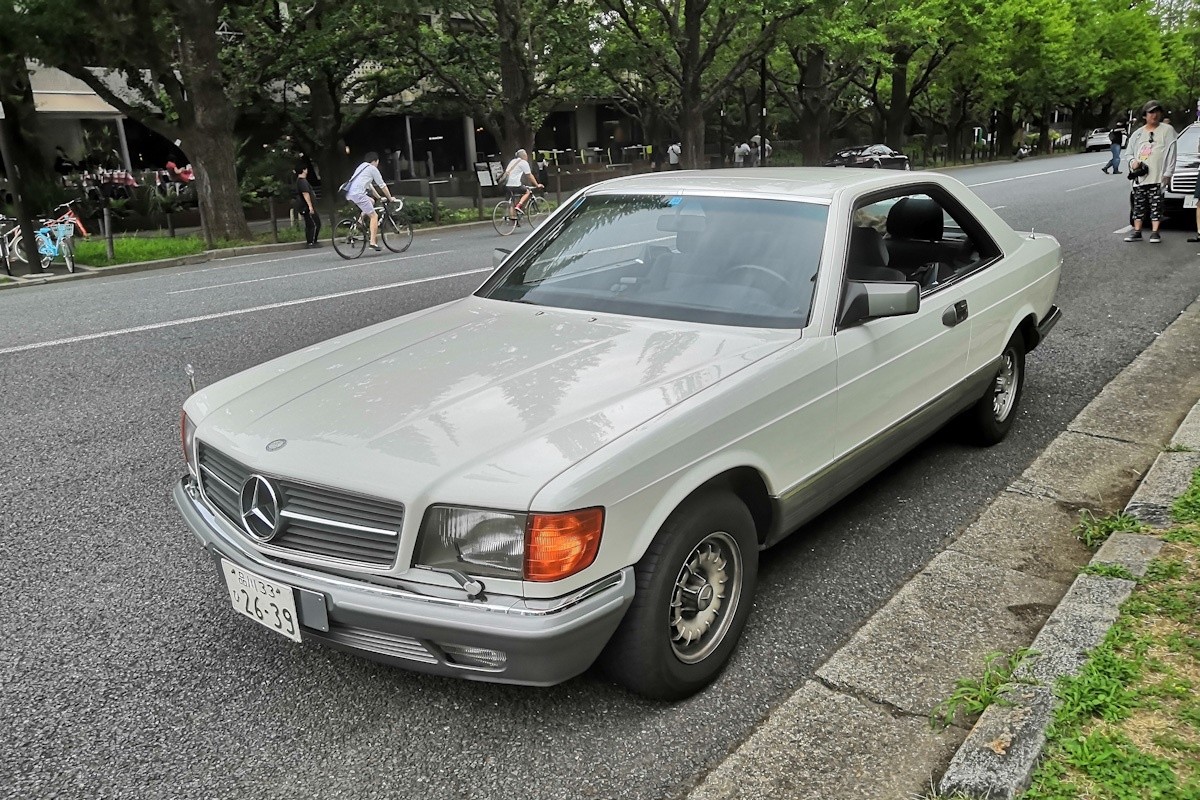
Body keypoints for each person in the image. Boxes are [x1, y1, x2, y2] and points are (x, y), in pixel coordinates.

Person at [1124, 100, 1177, 243]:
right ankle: (1137, 231)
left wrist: (1168, 173)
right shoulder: (1138, 134)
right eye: (1151, 112)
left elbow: (1172, 152)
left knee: (1156, 205)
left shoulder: (1167, 130)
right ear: (1144, 116)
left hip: (1158, 176)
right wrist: (1133, 162)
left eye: (1157, 112)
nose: (1154, 115)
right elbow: (1128, 154)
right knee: (1138, 204)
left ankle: (1155, 232)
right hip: (1140, 177)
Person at [344, 151, 396, 251]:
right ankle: (372, 242)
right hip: (359, 194)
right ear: (376, 161)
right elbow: (382, 185)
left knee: (371, 201)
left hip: (351, 194)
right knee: (374, 216)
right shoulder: (373, 169)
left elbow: (370, 186)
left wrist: (379, 197)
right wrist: (390, 198)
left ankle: (359, 221)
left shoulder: (362, 166)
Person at [497, 148, 543, 217]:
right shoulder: (523, 163)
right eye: (526, 155)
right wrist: (537, 185)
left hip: (507, 185)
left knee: (513, 203)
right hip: (515, 184)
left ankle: (513, 219)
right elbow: (529, 175)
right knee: (527, 192)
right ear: (524, 156)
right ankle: (519, 206)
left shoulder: (512, 161)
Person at [294, 164, 321, 247]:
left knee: (311, 224)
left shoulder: (300, 181)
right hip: (307, 207)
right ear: (304, 170)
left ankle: (311, 241)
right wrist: (310, 206)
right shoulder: (302, 181)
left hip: (305, 207)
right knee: (314, 224)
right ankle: (311, 242)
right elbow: (305, 194)